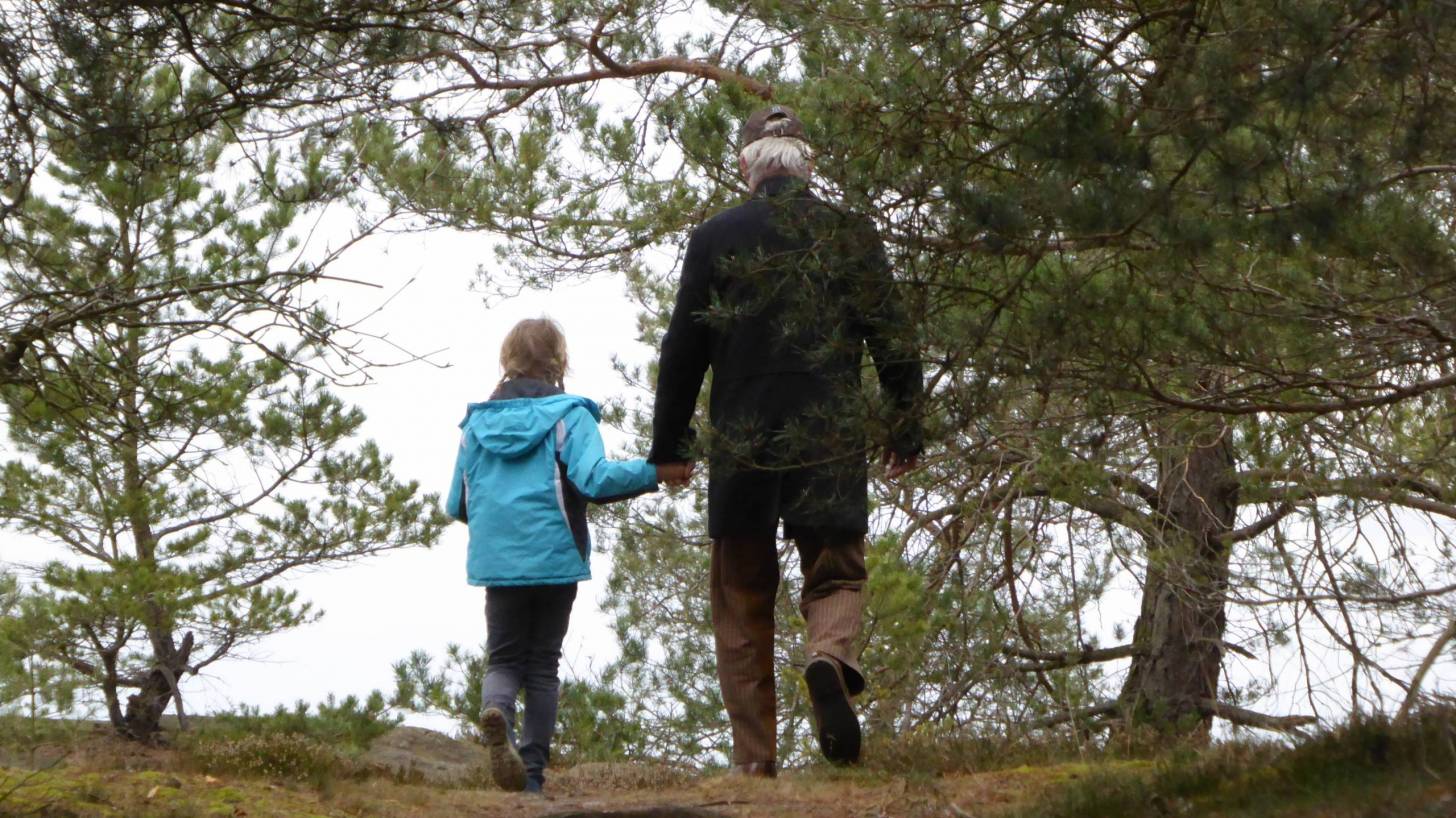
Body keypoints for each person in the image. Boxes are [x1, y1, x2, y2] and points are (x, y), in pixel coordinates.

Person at [649, 106, 925, 774]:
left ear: (747, 167)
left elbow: (684, 346)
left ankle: (754, 764)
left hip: (744, 439)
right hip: (828, 432)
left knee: (741, 598)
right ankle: (829, 659)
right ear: (810, 164)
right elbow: (894, 339)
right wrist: (905, 430)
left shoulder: (716, 236)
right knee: (836, 570)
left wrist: (672, 444)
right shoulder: (850, 234)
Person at [446, 317, 691, 793]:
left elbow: (456, 502)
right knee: (542, 664)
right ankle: (532, 775)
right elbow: (595, 480)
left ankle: (497, 712)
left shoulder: (474, 425)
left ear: (507, 361)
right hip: (555, 558)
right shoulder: (570, 416)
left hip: (498, 562)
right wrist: (655, 471)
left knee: (503, 658)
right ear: (559, 362)